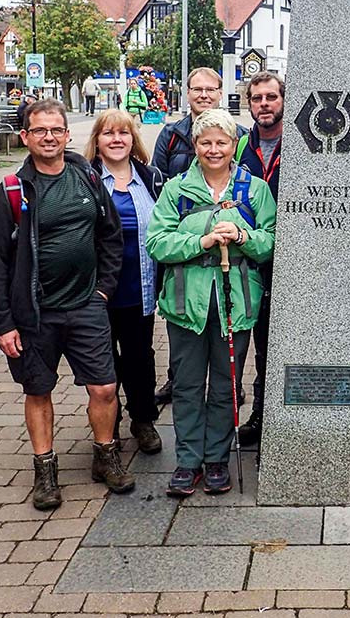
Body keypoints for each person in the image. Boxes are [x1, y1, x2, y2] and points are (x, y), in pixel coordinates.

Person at [0, 99, 133, 511]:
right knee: (38, 390)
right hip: (34, 312)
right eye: (39, 130)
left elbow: (109, 236)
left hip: (86, 305)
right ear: (25, 137)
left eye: (56, 129)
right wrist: (3, 323)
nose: (49, 137)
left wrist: (102, 290)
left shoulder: (87, 177)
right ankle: (45, 471)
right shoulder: (12, 191)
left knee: (103, 387)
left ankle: (105, 456)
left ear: (68, 135)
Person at [146, 109, 277, 497]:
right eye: (206, 142)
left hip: (235, 302)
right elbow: (156, 242)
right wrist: (198, 242)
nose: (214, 149)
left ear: (233, 145)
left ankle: (217, 458)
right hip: (187, 303)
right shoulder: (176, 189)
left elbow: (270, 243)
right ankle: (188, 460)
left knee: (225, 385)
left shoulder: (254, 190)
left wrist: (241, 235)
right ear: (196, 146)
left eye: (222, 142)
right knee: (187, 385)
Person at [152, 67, 248, 405]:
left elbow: (248, 190)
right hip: (183, 235)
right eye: (197, 89)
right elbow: (158, 183)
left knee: (225, 369)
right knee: (185, 329)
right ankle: (178, 381)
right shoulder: (172, 135)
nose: (204, 94)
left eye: (211, 89)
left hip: (229, 269)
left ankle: (230, 397)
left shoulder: (242, 136)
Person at [84, 109, 165, 456]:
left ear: (133, 140)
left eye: (124, 133)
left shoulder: (151, 178)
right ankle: (108, 426)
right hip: (97, 292)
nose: (116, 139)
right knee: (104, 364)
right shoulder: (84, 179)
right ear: (97, 141)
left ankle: (143, 420)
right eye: (108, 134)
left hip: (139, 288)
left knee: (140, 359)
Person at [235, 72, 285, 446]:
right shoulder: (239, 148)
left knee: (272, 341)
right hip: (244, 258)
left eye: (271, 97)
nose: (264, 104)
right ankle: (245, 412)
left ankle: (270, 413)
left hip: (287, 260)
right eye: (257, 98)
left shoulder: (300, 146)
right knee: (244, 341)